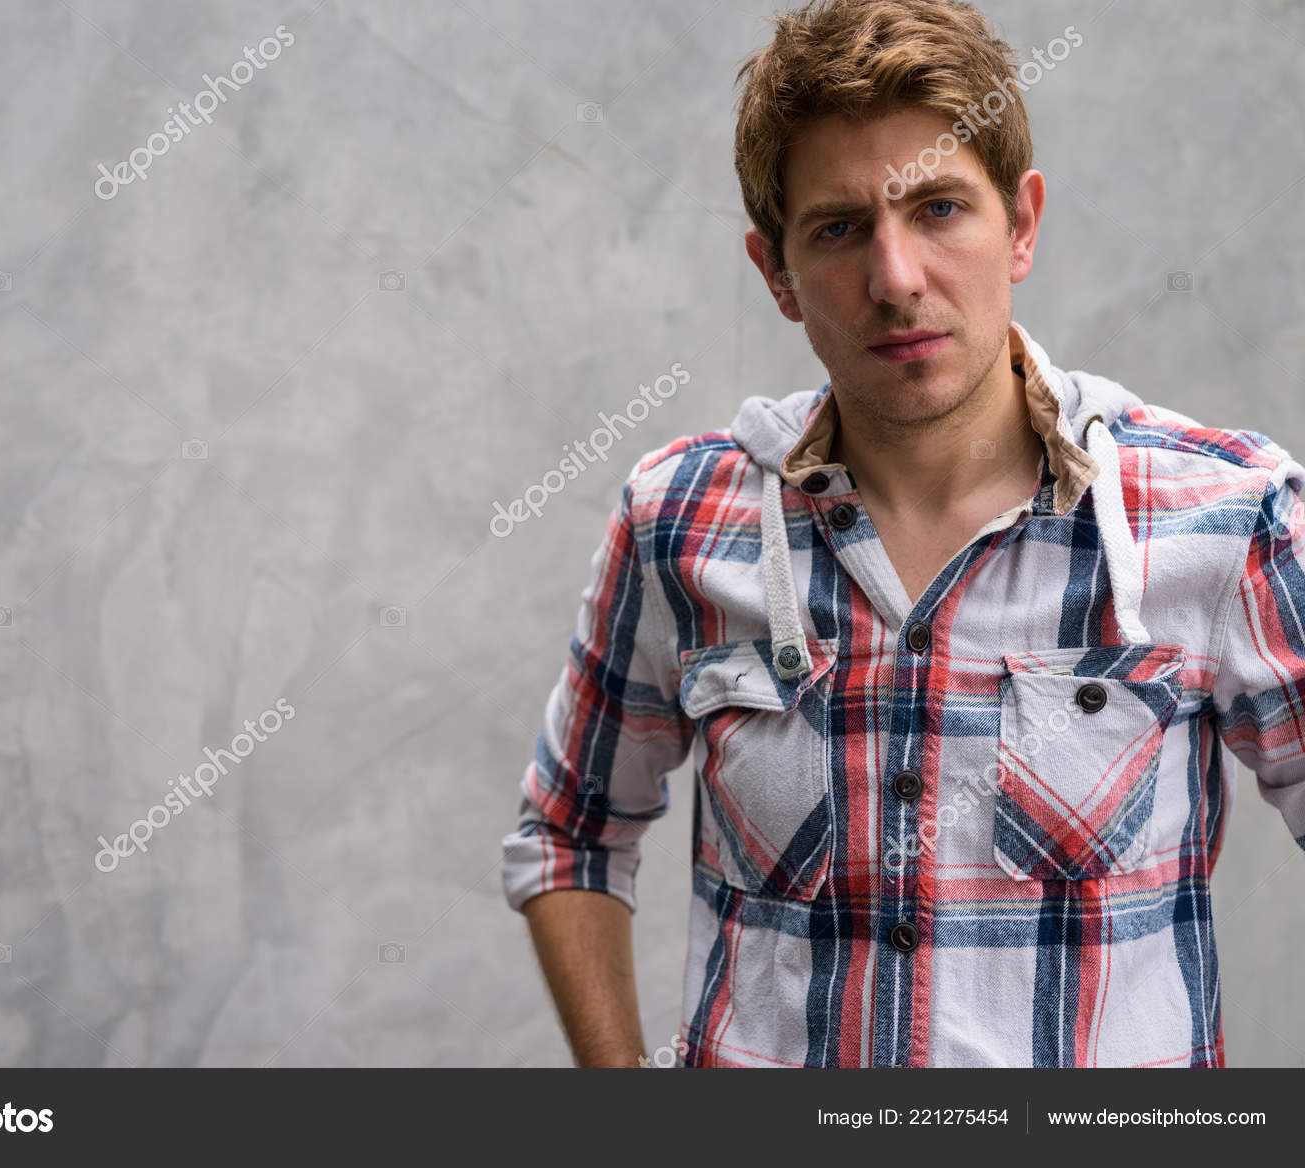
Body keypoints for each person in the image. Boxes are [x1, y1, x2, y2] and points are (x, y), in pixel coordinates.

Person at [499, 0, 1305, 1067]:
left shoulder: (1220, 512)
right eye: (837, 229)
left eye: (936, 209)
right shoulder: (680, 517)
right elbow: (568, 836)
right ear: (774, 274)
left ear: (1020, 223)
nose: (895, 279)